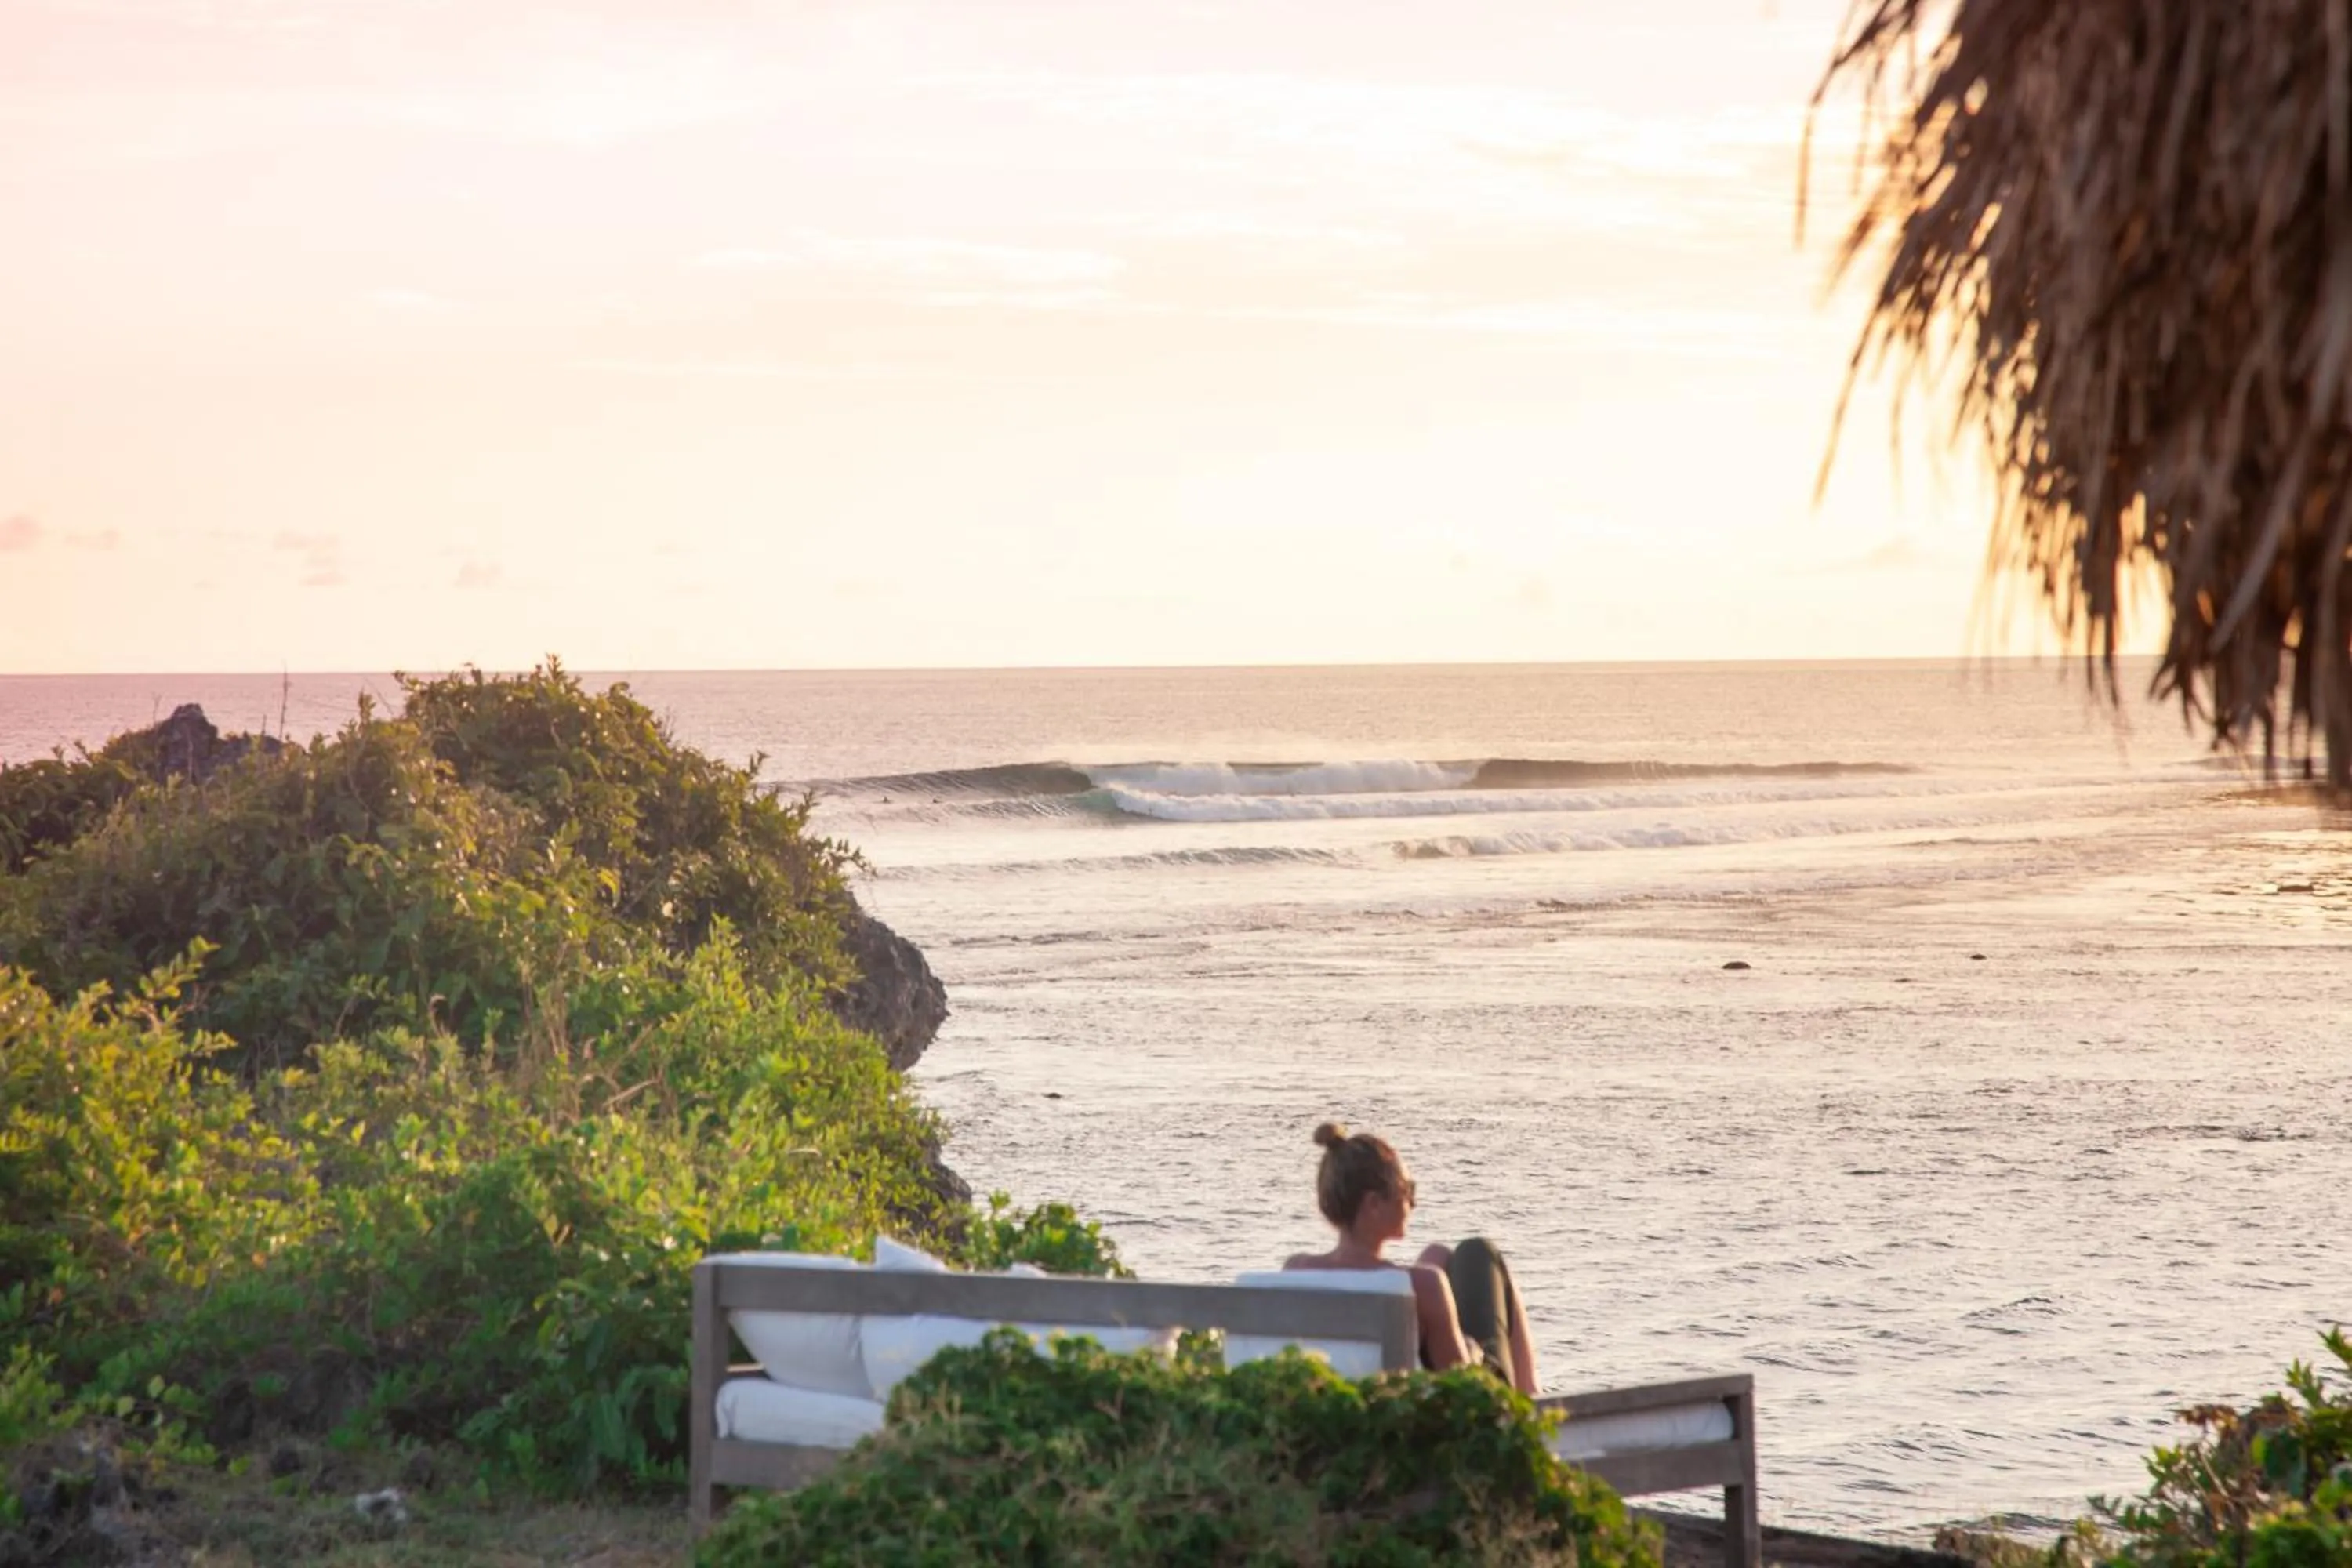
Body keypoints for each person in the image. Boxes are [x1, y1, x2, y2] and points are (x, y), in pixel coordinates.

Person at [1283, 1122, 1540, 1395]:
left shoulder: (1296, 1270)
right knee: (1482, 1253)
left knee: (1437, 1254)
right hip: (1429, 1421)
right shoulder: (1424, 1285)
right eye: (1407, 1190)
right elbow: (1462, 1392)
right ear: (1373, 1204)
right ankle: (1532, 1396)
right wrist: (1472, 1353)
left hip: (1341, 1414)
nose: (1413, 1203)